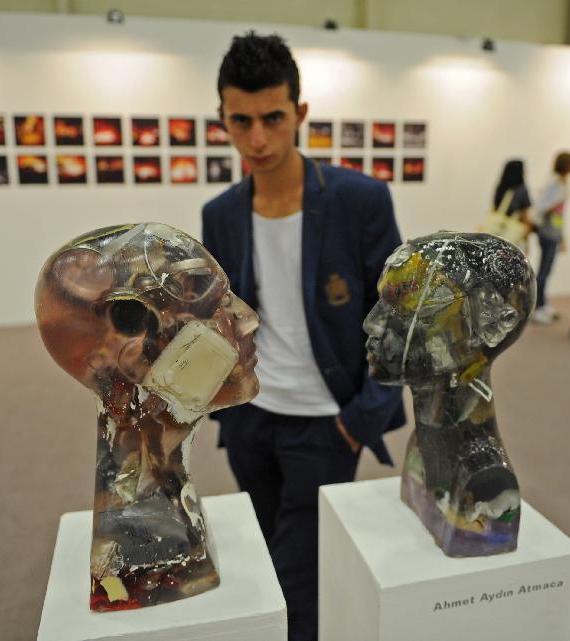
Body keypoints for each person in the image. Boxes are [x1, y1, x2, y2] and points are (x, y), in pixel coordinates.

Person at [200, 32, 405, 641]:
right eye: (241, 121)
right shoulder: (220, 213)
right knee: (265, 552)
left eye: (272, 119)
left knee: (299, 577)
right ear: (223, 120)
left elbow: (400, 318)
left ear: (300, 114)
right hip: (250, 420)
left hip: (327, 422)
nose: (257, 139)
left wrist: (360, 419)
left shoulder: (358, 200)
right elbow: (219, 319)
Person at [531, 151, 570, 324]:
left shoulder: (562, 183)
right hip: (547, 233)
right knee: (543, 271)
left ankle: (543, 304)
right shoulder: (554, 183)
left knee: (547, 271)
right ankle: (538, 307)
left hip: (554, 232)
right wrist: (554, 203)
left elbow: (560, 215)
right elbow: (541, 206)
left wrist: (562, 237)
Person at [492, 159, 532, 249]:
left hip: (496, 232)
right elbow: (524, 214)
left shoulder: (501, 187)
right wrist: (527, 239)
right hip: (511, 233)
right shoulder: (522, 189)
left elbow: (495, 207)